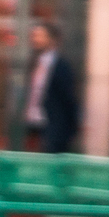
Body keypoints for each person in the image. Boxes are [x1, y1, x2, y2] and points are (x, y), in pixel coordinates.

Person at [22, 20, 79, 154]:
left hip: (52, 127)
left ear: (52, 39)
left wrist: (70, 129)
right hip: (32, 124)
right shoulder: (34, 63)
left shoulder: (62, 66)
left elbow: (68, 99)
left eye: (40, 35)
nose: (35, 39)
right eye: (34, 35)